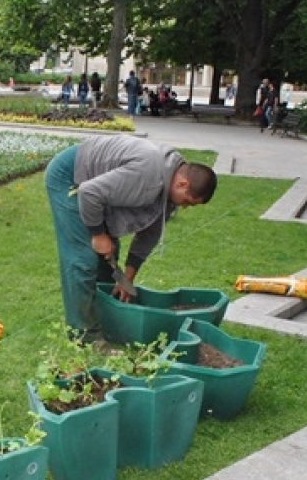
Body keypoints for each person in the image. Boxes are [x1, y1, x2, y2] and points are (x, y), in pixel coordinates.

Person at [44, 136, 218, 345]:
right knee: (83, 259)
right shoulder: (148, 176)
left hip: (96, 188)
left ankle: (104, 319)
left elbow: (149, 233)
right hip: (70, 176)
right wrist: (98, 235)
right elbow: (89, 192)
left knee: (107, 257)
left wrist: (126, 279)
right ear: (183, 183)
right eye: (188, 202)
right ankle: (85, 336)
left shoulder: (168, 187)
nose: (185, 207)